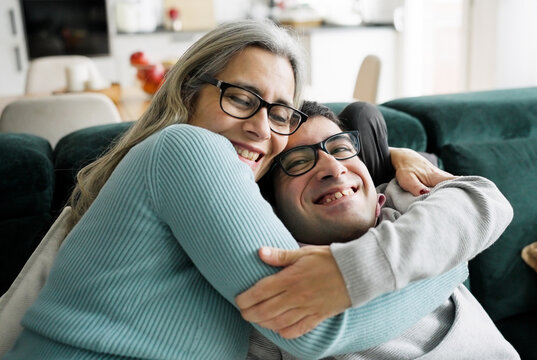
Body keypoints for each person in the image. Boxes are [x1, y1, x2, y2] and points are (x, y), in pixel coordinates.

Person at [3, 20, 468, 359]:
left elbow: (338, 145)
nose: (261, 129)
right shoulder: (188, 148)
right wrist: (452, 259)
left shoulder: (221, 182)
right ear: (188, 95)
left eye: (280, 112)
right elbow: (317, 330)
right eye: (242, 99)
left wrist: (392, 156)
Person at [246, 101, 519, 359]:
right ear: (272, 205)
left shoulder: (396, 200)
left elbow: (487, 200)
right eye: (298, 162)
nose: (333, 167)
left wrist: (354, 269)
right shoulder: (270, 277)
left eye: (340, 149)